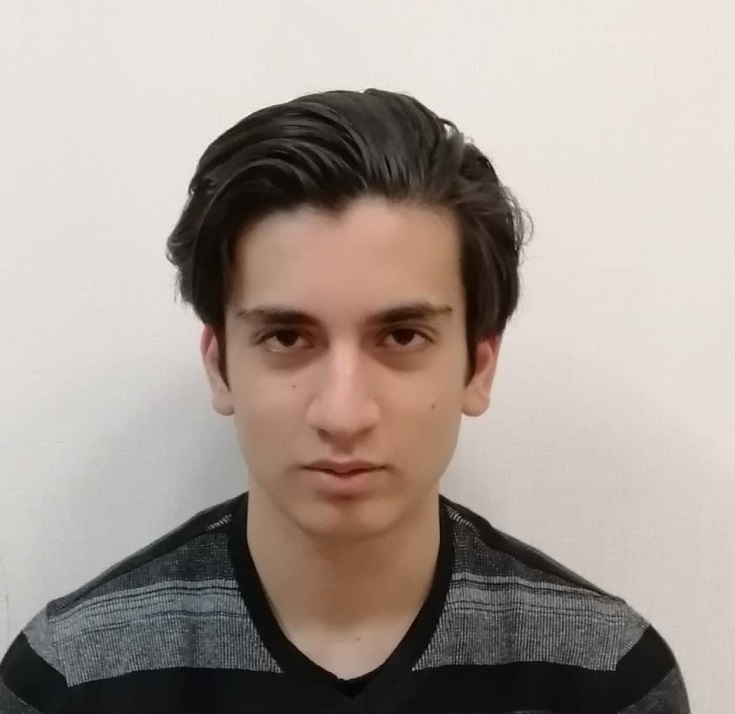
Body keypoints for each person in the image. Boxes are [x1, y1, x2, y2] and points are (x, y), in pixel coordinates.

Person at [0, 88, 690, 713]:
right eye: (286, 337)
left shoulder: (606, 678)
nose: (342, 413)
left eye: (401, 336)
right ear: (220, 366)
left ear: (478, 367)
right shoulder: (69, 681)